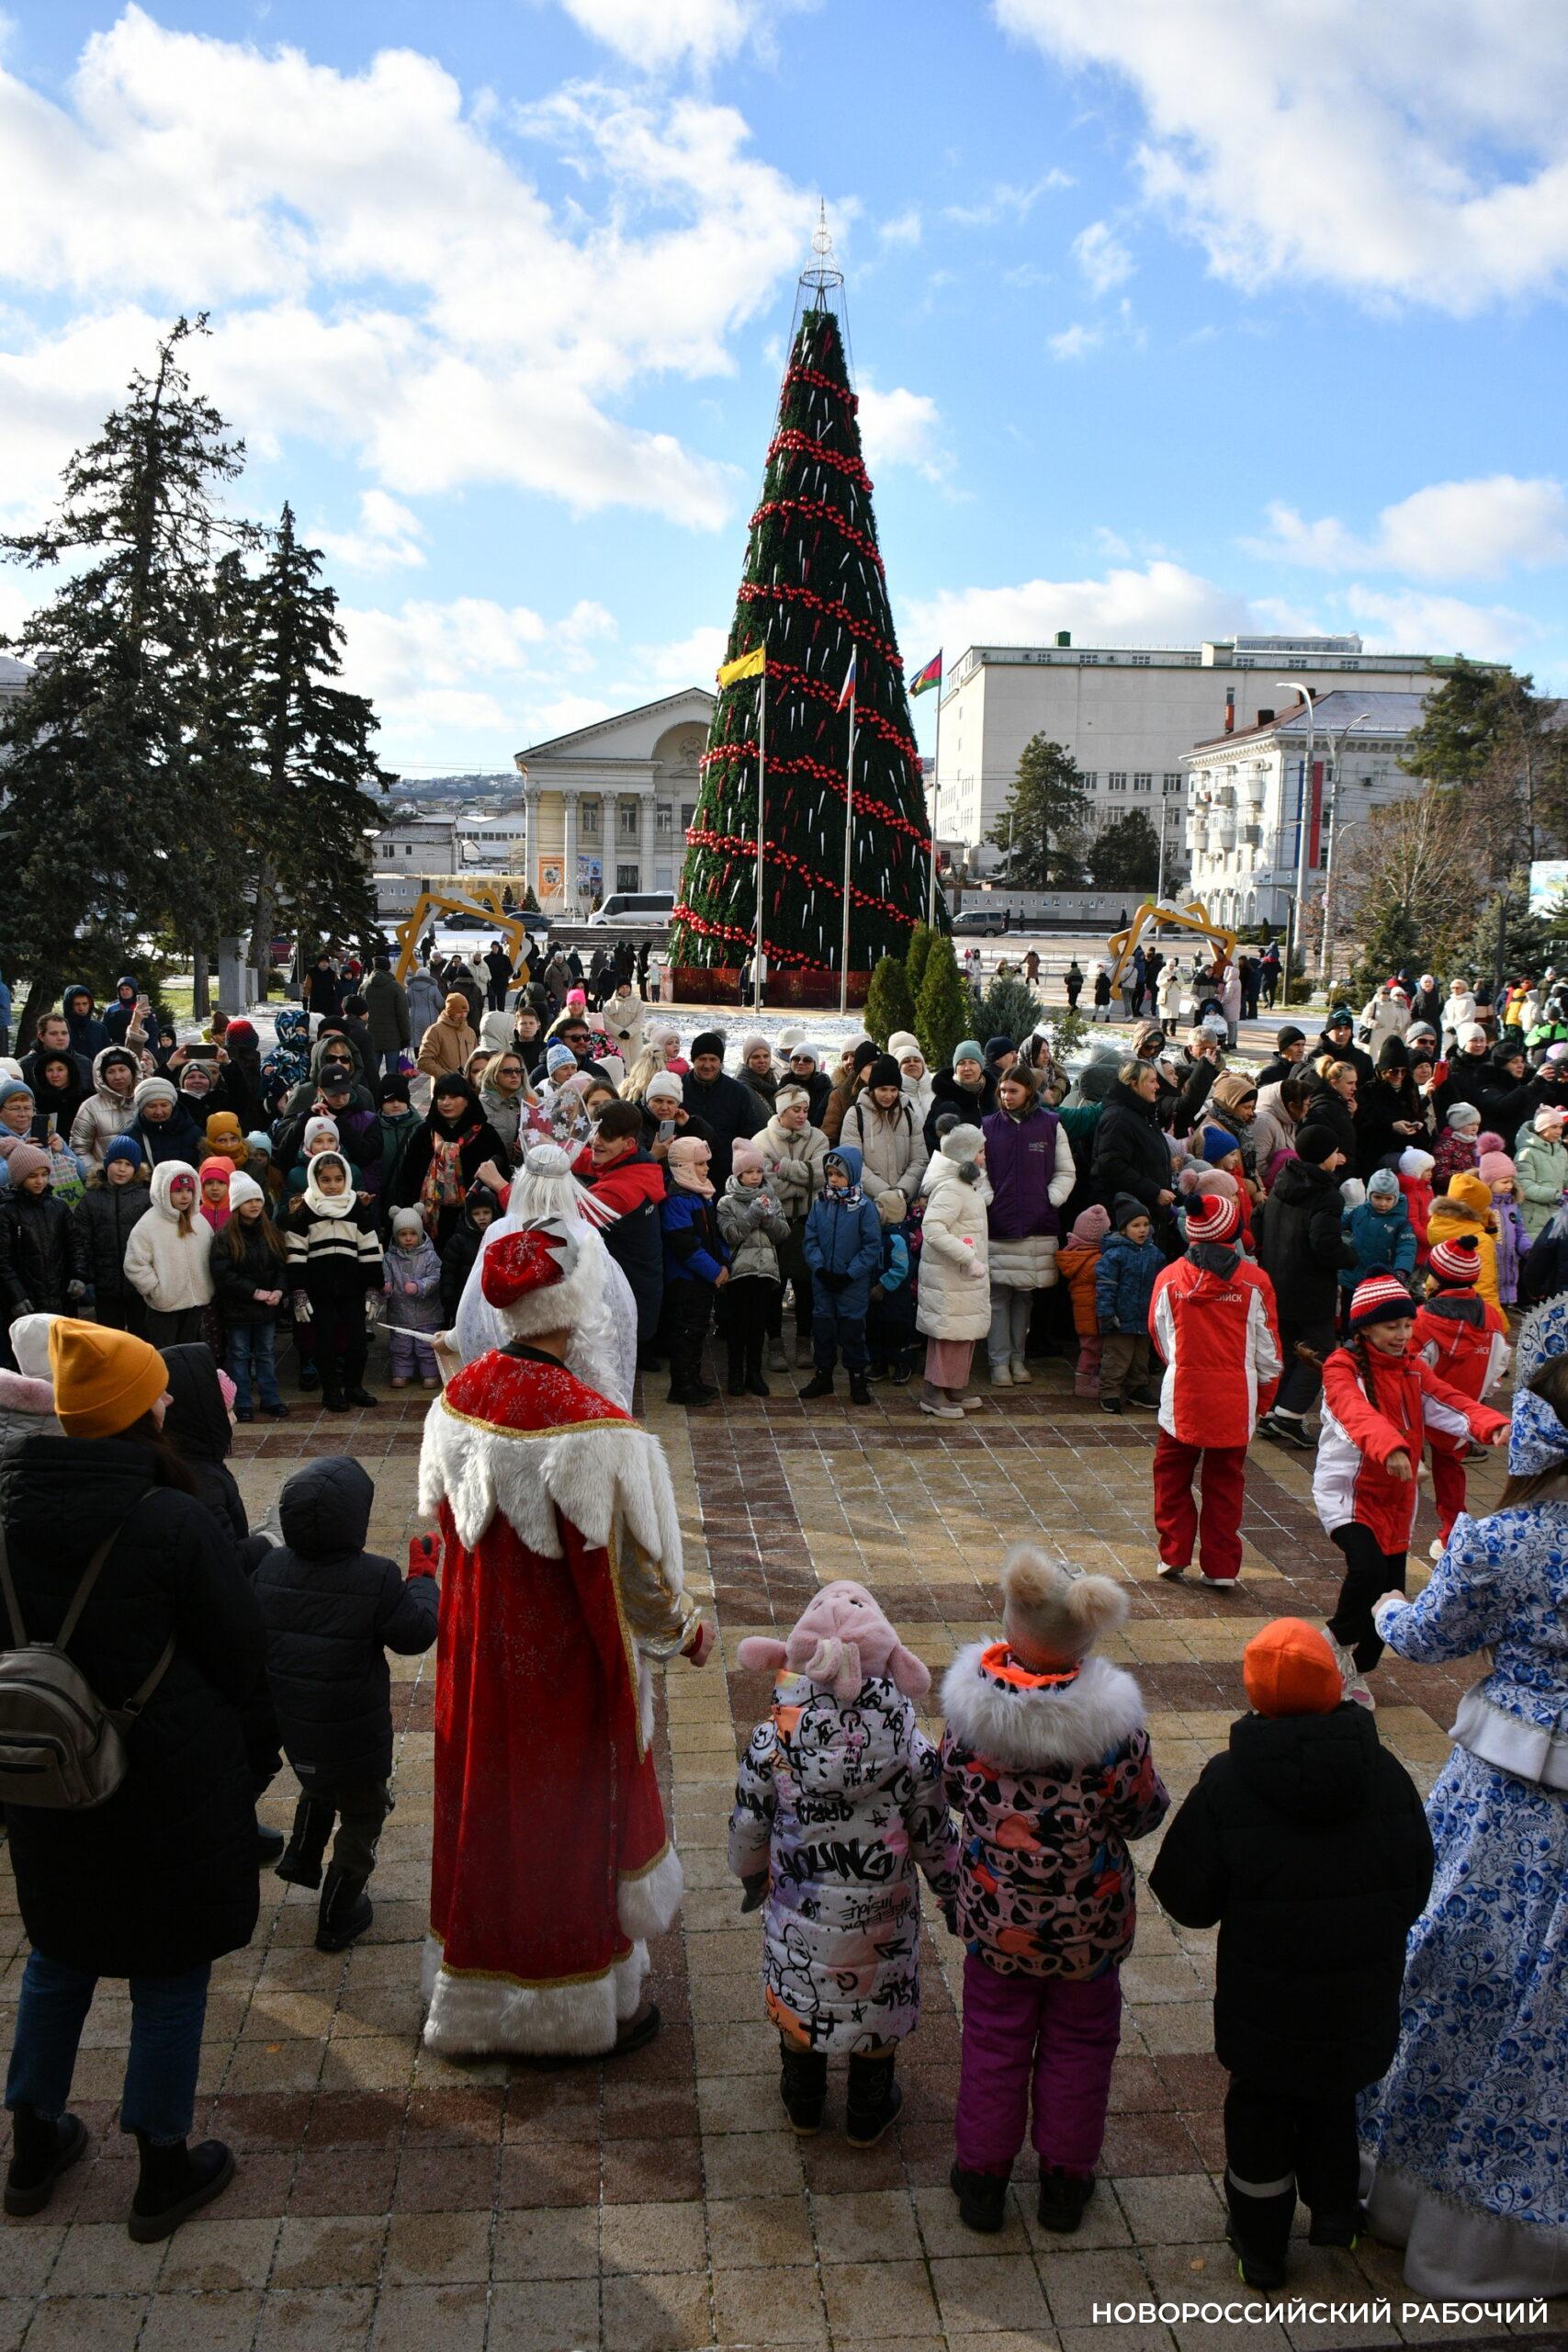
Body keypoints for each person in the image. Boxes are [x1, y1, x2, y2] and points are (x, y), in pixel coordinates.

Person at [0, 1318, 276, 2241]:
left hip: (50, 1776)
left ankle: (32, 2142)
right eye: (154, 1390)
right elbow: (241, 1654)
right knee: (168, 1970)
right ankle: (162, 2164)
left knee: (59, 1952)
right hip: (168, 1781)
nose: (168, 1400)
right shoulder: (172, 1516)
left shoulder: (8, 1511)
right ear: (129, 1413)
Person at [416, 1213, 714, 2055]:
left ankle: (474, 1996)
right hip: (562, 1667)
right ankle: (579, 2009)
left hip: (478, 1658)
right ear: (579, 1306)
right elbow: (635, 1576)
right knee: (568, 1819)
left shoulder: (458, 1396)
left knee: (486, 1812)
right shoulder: (595, 1428)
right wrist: (686, 1632)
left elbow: (441, 1520)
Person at [1358, 1358, 1568, 2295]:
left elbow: (1425, 1637)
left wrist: (1386, 1600)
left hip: (1508, 1800)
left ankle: (1410, 2191)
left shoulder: (1505, 1540)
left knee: (1455, 1955)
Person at [1148, 1618, 1433, 2293]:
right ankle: (1336, 2215)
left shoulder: (1227, 1782)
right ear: (1337, 1685)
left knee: (1260, 2114)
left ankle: (1261, 2248)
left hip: (1263, 2007)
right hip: (1355, 1999)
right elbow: (1415, 1882)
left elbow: (1187, 1897)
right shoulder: (1383, 1773)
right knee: (1335, 2096)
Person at [942, 1547, 1168, 2236]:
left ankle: (981, 2178)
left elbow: (949, 1788)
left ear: (1010, 1625)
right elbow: (1142, 1813)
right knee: (1080, 2045)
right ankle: (1064, 2184)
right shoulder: (1111, 1734)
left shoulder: (969, 1719)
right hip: (1087, 1930)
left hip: (994, 1922)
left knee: (991, 2040)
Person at [730, 1583, 956, 2143]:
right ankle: (867, 2107)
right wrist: (952, 1884)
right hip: (882, 1917)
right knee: (877, 2005)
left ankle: (804, 2101)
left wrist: (750, 1871)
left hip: (798, 1909)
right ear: (890, 1662)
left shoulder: (772, 1740)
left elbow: (750, 1821)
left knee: (802, 1992)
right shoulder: (910, 1745)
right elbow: (932, 1830)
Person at [259, 1458, 439, 1950]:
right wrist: (422, 1580)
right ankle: (340, 1911)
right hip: (356, 1734)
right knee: (364, 1812)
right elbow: (415, 1634)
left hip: (296, 1723)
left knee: (318, 1779)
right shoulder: (375, 1577)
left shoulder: (269, 1566)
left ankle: (301, 1855)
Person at [1312, 1270, 1508, 1706]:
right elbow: (1353, 1412)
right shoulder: (1342, 1367)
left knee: (1392, 1596)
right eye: (1392, 1326)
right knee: (1367, 1572)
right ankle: (1329, 1647)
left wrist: (1491, 1425)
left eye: (1407, 1325)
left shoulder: (1414, 1368)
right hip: (1348, 1494)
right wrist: (1392, 1449)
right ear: (1364, 1328)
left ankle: (1356, 1671)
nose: (1403, 1335)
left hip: (1398, 1504)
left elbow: (1449, 1402)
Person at [1149, 1193, 1281, 1587]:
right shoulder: (1255, 1282)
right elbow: (1270, 1354)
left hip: (1182, 1397)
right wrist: (1263, 1400)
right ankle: (1221, 1567)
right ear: (1234, 1231)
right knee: (1225, 1485)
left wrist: (1180, 1366)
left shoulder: (1169, 1278)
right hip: (1236, 1400)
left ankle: (1173, 1552)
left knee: (1171, 1476)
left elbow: (1159, 1337)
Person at [1253, 1125, 1354, 1448]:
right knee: (1319, 1352)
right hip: (1310, 1289)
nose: (1340, 1158)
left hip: (1277, 1282)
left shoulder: (1283, 1182)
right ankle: (1289, 1415)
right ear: (1325, 1155)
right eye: (1335, 1152)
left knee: (1288, 1351)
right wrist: (1352, 1255)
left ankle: (1272, 1413)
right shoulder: (1326, 1195)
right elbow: (1324, 1246)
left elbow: (1259, 1222)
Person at [982, 1064, 1076, 1388]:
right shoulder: (987, 1127)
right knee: (997, 1297)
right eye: (1003, 1091)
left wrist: (1049, 1199)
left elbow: (1066, 1171)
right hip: (998, 1223)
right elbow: (977, 1170)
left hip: (1037, 1223)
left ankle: (1018, 1359)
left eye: (1014, 1091)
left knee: (1024, 1296)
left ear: (1028, 1092)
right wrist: (989, 1199)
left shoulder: (1051, 1126)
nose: (1007, 1097)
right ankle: (998, 1362)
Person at [1414, 1234, 1510, 1549]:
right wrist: (1481, 1397)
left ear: (1437, 1277)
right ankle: (1452, 1534)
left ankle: (1397, 1530)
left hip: (1418, 1406)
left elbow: (1411, 1368)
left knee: (1407, 1462)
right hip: (1464, 1407)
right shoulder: (1493, 1318)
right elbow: (1500, 1364)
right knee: (1450, 1468)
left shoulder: (1422, 1319)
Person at [285, 1150, 384, 1413]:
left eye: (338, 1179)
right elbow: (295, 1254)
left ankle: (354, 1386)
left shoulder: (356, 1209)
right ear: (315, 1181)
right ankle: (331, 1392)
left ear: (346, 1179)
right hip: (320, 1291)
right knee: (325, 1343)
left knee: (357, 1342)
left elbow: (370, 1248)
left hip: (352, 1289)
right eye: (325, 1180)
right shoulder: (304, 1211)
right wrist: (298, 1291)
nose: (332, 1185)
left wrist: (374, 1287)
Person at [916, 1125, 991, 1419]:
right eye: (980, 1151)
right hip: (952, 1277)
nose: (984, 1157)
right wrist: (967, 1256)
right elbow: (933, 1228)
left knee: (962, 1333)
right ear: (965, 1155)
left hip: (962, 1279)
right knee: (949, 1334)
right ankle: (933, 1393)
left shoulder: (964, 1185)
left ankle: (953, 1387)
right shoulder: (951, 1188)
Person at [799, 1144, 883, 1406]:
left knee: (852, 1332)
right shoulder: (820, 1203)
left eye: (839, 1174)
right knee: (823, 1329)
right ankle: (823, 1376)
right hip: (823, 1281)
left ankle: (857, 1378)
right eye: (830, 1173)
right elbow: (810, 1239)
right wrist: (820, 1269)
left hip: (852, 1284)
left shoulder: (864, 1207)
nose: (834, 1179)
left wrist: (849, 1275)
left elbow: (871, 1247)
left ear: (853, 1174)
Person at [391, 1074, 508, 1250]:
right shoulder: (424, 1133)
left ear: (467, 1100)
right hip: (431, 1225)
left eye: (453, 1097)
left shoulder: (485, 1135)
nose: (446, 1102)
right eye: (441, 1097)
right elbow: (408, 1177)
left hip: (475, 1223)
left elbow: (502, 1173)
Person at [759, 1084, 828, 1373]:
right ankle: (775, 1343)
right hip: (775, 1222)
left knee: (806, 1286)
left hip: (807, 1221)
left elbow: (821, 1176)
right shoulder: (761, 1139)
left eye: (805, 1109)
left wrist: (782, 1168)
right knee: (774, 1286)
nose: (802, 1115)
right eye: (795, 1110)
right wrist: (802, 1179)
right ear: (782, 1111)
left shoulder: (819, 1138)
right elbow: (765, 1185)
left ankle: (803, 1342)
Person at [209, 1172, 288, 1421]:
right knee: (239, 1355)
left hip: (266, 1309)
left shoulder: (270, 1232)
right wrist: (254, 1292)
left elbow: (281, 1267)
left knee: (265, 1353)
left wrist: (278, 1290)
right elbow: (223, 1274)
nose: (254, 1204)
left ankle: (270, 1398)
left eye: (258, 1199)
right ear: (236, 1205)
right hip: (238, 1310)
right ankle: (241, 1401)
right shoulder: (225, 1237)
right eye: (248, 1200)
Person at [660, 1135, 729, 1408]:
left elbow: (715, 1234)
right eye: (700, 1164)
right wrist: (714, 1270)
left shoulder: (701, 1193)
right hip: (686, 1280)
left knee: (698, 1329)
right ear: (685, 1166)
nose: (707, 1169)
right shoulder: (677, 1198)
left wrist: (724, 1262)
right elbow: (684, 1245)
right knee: (686, 1332)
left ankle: (694, 1379)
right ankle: (682, 1385)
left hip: (703, 1278)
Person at [716, 1142, 789, 1398]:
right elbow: (730, 1234)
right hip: (739, 1274)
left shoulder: (772, 1196)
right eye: (749, 1172)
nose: (755, 1177)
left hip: (765, 1272)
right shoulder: (727, 1202)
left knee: (758, 1325)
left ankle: (754, 1374)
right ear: (738, 1175)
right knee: (738, 1327)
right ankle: (735, 1374)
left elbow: (783, 1233)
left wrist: (768, 1217)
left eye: (759, 1171)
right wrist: (752, 1215)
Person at [122, 1162, 213, 1347]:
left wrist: (208, 1284)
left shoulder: (200, 1222)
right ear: (162, 1191)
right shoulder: (148, 1225)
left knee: (190, 1352)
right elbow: (134, 1264)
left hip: (196, 1303)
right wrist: (156, 1290)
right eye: (178, 1190)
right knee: (167, 1354)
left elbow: (211, 1254)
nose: (185, 1196)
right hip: (165, 1307)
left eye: (189, 1190)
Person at [0, 1147, 88, 1326]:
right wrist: (17, 1296)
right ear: (19, 1177)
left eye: (44, 1174)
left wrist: (78, 1275)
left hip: (62, 1296)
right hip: (28, 1302)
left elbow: (75, 1244)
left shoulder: (58, 1207)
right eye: (33, 1176)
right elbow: (3, 1260)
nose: (40, 1181)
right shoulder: (7, 1212)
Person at [1089, 1061, 1175, 1239]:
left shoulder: (1143, 1114)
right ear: (1134, 1084)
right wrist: (1154, 1192)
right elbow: (1110, 1166)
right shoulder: (1119, 1118)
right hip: (1129, 1222)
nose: (1157, 1086)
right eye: (1151, 1081)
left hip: (1148, 1215)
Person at [73, 1139, 152, 1335]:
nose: (122, 1169)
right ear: (107, 1163)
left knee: (142, 1338)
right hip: (105, 1284)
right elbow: (82, 1240)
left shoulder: (145, 1197)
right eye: (117, 1162)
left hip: (139, 1285)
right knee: (110, 1339)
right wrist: (86, 1275)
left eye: (128, 1164)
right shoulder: (91, 1199)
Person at [1095, 1195, 1163, 1415]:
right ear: (1124, 1229)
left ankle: (1137, 1388)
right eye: (1136, 1225)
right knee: (1116, 1356)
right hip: (1120, 1318)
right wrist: (1106, 1313)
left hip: (1144, 1316)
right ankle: (1109, 1392)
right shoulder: (1115, 1254)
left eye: (1145, 1225)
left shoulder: (1154, 1253)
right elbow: (1105, 1286)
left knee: (1140, 1357)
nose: (1142, 1230)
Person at [1339, 1167, 1416, 1321]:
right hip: (1352, 1277)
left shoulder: (1401, 1223)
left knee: (1373, 1317)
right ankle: (1347, 1340)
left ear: (1395, 1198)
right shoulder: (1359, 1212)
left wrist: (1401, 1270)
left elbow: (1407, 1247)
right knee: (1348, 1315)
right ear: (1369, 1195)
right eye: (1378, 1198)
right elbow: (1338, 1223)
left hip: (1379, 1281)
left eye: (1388, 1199)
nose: (1383, 1203)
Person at [381, 1207, 444, 1390]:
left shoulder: (430, 1256)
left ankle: (430, 1373)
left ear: (420, 1233)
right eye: (403, 1234)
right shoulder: (390, 1258)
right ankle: (401, 1373)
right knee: (401, 1346)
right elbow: (385, 1276)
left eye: (412, 1234)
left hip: (427, 1313)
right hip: (400, 1313)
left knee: (426, 1345)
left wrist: (420, 1286)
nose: (408, 1238)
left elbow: (436, 1277)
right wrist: (385, 1287)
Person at [1056, 1204, 1110, 1399]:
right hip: (1092, 1313)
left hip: (1084, 1311)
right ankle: (1084, 1382)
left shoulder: (1078, 1254)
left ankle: (1090, 1378)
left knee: (1091, 1347)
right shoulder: (1095, 1261)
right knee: (1092, 1348)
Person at [438, 1183, 498, 1329]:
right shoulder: (458, 1241)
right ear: (468, 1215)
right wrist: (450, 1303)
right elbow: (448, 1274)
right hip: (463, 1304)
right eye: (476, 1214)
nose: (482, 1218)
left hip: (493, 1306)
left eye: (486, 1212)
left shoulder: (499, 1237)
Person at [923, 1042, 997, 1152]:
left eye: (972, 1062)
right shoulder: (944, 1097)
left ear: (981, 1067)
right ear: (955, 1069)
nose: (967, 1068)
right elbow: (930, 1137)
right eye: (961, 1063)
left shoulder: (993, 1095)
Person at [363, 956, 411, 1081]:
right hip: (393, 1036)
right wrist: (406, 1036)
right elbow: (403, 1015)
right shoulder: (396, 987)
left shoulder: (364, 986)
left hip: (370, 1034)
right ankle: (391, 1096)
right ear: (388, 968)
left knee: (372, 1072)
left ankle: (373, 1097)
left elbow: (359, 1011)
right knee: (392, 1073)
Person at [414, 993, 478, 1085]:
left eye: (466, 1012)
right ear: (450, 1012)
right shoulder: (435, 1030)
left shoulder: (470, 1032)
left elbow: (476, 1059)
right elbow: (423, 1061)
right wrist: (447, 1077)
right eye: (459, 1012)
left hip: (467, 1088)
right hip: (444, 1088)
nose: (463, 1015)